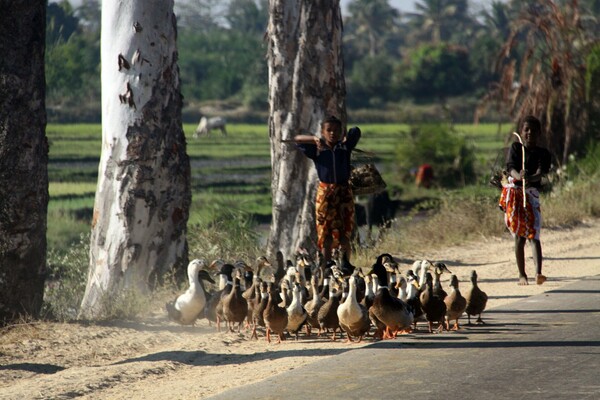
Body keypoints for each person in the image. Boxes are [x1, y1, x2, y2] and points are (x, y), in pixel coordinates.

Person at [294, 115, 361, 262]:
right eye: (328, 130)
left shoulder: (345, 147)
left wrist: (344, 139)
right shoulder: (318, 150)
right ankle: (327, 266)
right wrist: (314, 139)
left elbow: (355, 131)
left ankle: (345, 265)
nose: (332, 133)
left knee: (345, 234)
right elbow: (297, 139)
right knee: (326, 235)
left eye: (336, 130)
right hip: (325, 194)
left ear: (341, 132)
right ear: (322, 132)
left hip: (344, 193)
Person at [499, 115, 552, 285]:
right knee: (519, 237)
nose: (529, 133)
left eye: (533, 130)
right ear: (521, 131)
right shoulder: (516, 148)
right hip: (515, 195)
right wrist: (519, 177)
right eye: (526, 129)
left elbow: (541, 173)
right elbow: (511, 168)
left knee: (534, 235)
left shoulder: (543, 153)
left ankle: (538, 273)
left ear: (539, 133)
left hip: (531, 197)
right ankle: (522, 275)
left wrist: (530, 178)